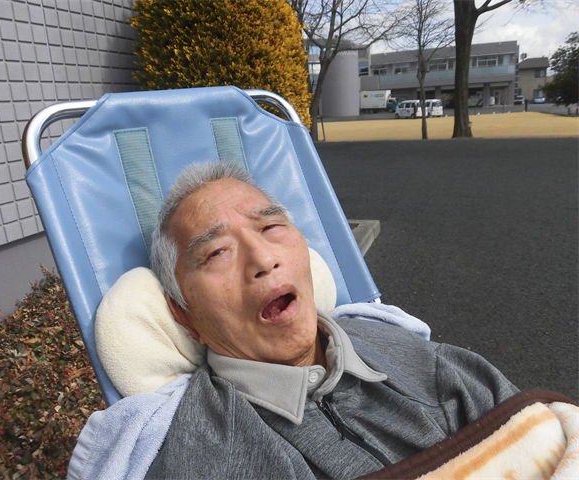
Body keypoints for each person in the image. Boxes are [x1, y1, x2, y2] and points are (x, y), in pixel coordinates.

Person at [143, 161, 519, 479]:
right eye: (217, 252)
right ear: (185, 316)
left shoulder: (408, 354)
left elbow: (538, 431)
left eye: (270, 227)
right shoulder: (201, 457)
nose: (264, 258)